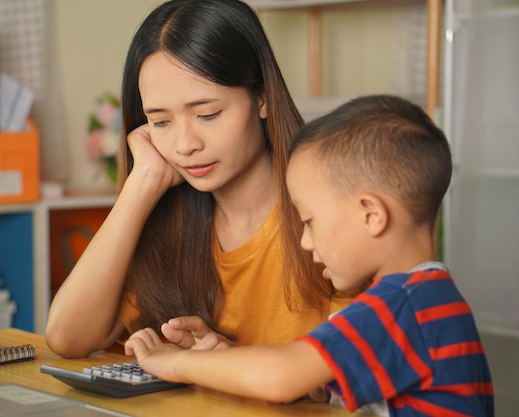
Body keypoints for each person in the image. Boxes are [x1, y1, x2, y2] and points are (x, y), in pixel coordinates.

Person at [124, 95, 495, 417]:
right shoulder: (428, 299)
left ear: (372, 215)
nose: (305, 241)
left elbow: (281, 375)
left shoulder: (402, 304)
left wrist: (175, 363)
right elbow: (311, 386)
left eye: (309, 221)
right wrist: (223, 358)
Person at [45, 0, 355, 359]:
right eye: (160, 122)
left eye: (208, 114)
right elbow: (67, 337)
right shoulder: (169, 221)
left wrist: (223, 361)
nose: (185, 145)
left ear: (263, 98)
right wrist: (142, 181)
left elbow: (346, 391)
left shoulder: (329, 218)